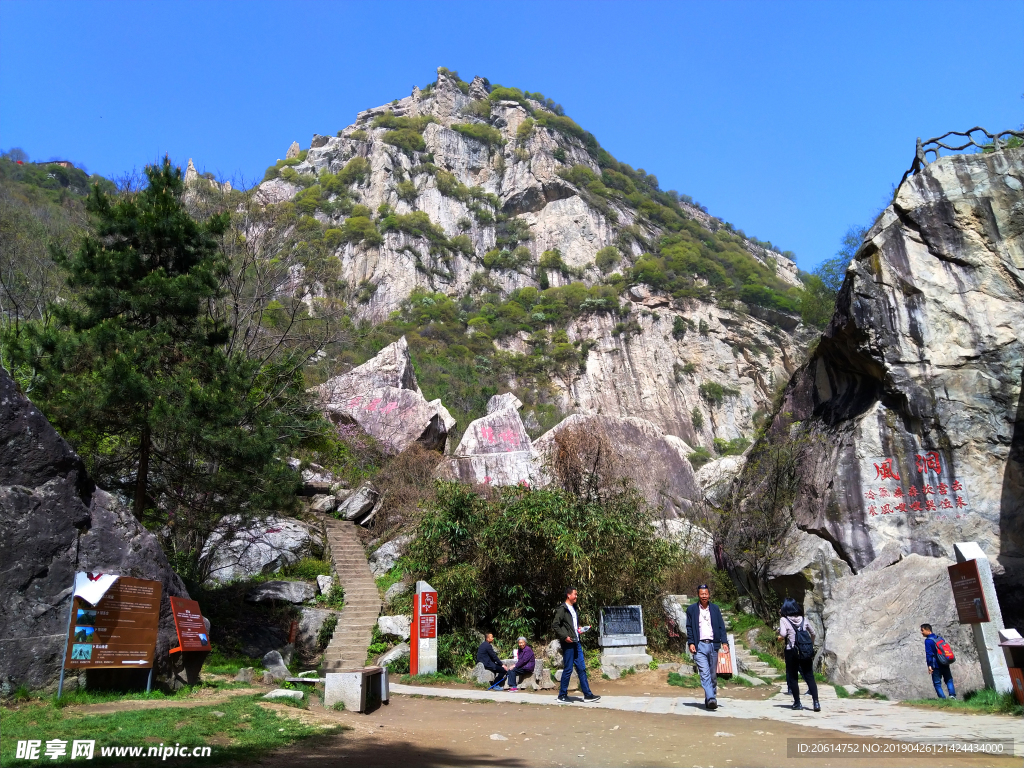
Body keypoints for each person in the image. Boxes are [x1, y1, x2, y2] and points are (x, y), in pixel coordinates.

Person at [551, 587, 601, 702]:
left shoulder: (574, 608)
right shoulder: (562, 609)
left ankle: (587, 694)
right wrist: (565, 637)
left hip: (577, 642)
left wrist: (578, 629)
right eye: (575, 594)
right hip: (568, 643)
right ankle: (562, 695)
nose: (576, 596)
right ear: (569, 595)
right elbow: (555, 625)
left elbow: (571, 626)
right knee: (568, 668)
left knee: (582, 668)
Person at [685, 584, 729, 710]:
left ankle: (710, 698)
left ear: (709, 595)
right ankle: (711, 698)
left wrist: (724, 642)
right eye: (701, 594)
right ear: (698, 595)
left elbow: (721, 626)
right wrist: (691, 642)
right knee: (704, 673)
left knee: (712, 675)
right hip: (699, 646)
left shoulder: (715, 609)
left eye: (706, 594)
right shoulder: (692, 610)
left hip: (713, 645)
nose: (704, 596)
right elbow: (689, 627)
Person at [778, 597, 819, 711]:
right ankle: (816, 703)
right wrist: (809, 644)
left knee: (793, 677)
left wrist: (779, 631)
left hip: (792, 651)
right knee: (810, 676)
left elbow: (783, 633)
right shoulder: (803, 619)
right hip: (805, 651)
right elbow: (813, 633)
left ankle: (797, 703)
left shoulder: (784, 620)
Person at [921, 624, 956, 699]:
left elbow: (929, 654)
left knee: (937, 683)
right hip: (944, 662)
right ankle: (952, 696)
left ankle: (943, 699)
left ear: (928, 630)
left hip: (935, 665)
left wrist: (929, 665)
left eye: (922, 630)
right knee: (949, 680)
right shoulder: (939, 638)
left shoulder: (928, 641)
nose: (921, 632)